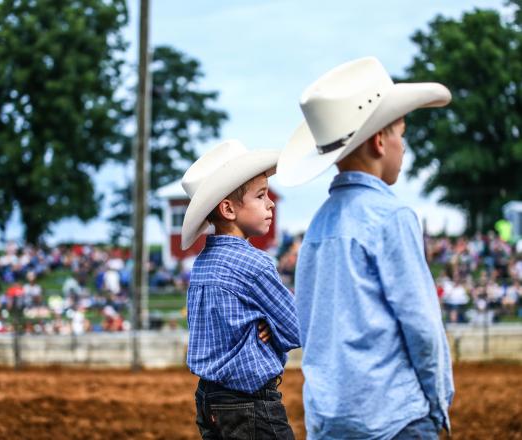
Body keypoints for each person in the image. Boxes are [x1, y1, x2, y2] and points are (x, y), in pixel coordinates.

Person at [277, 57, 454, 439]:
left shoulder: (318, 227)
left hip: (331, 418)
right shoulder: (392, 216)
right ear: (379, 141)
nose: (403, 146)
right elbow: (422, 325)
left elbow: (310, 325)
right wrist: (438, 402)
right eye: (401, 134)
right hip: (393, 417)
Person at [181, 139, 301, 439]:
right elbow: (298, 328)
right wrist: (271, 327)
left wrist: (265, 325)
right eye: (261, 195)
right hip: (251, 403)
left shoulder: (202, 264)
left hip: (209, 399)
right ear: (228, 209)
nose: (271, 202)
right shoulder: (256, 265)